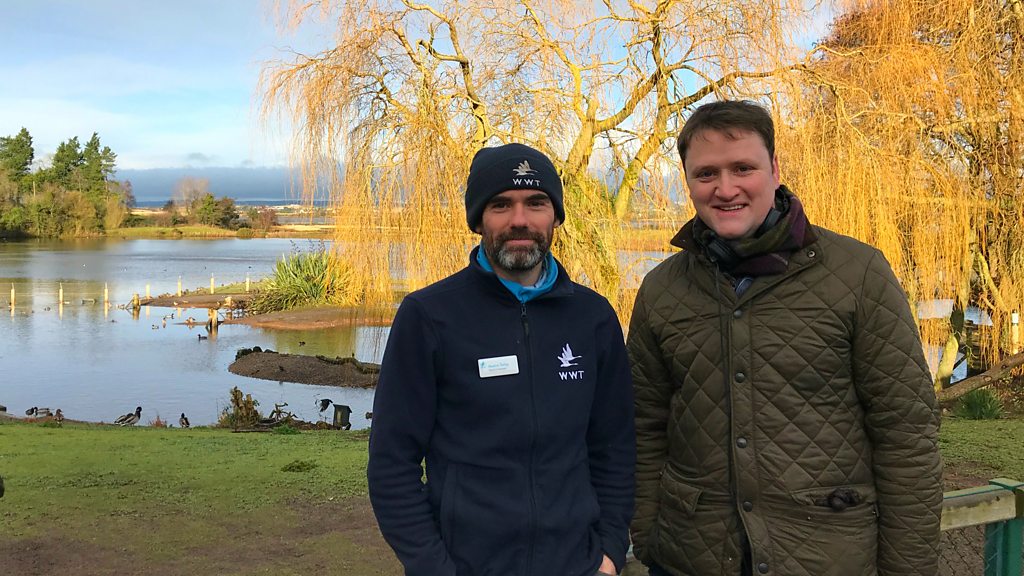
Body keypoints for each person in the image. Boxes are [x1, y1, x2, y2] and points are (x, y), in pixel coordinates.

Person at [627, 100, 942, 576]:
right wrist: (648, 534)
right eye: (706, 173)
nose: (725, 189)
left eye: (743, 168)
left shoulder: (858, 274)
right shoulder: (662, 290)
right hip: (691, 556)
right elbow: (643, 426)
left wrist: (908, 569)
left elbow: (906, 433)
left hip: (827, 557)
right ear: (687, 181)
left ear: (774, 169)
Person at [368, 143, 636, 576]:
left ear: (555, 216)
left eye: (536, 203)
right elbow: (391, 462)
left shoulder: (593, 317)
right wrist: (434, 567)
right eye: (501, 205)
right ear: (478, 220)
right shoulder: (429, 316)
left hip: (578, 564)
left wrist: (609, 553)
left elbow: (615, 447)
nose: (520, 220)